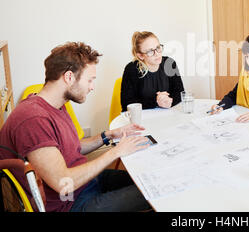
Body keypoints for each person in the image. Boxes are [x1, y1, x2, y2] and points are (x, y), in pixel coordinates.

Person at [0, 42, 153, 212]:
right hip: (70, 203)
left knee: (150, 179)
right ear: (69, 77)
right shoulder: (32, 119)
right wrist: (116, 152)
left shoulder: (55, 104)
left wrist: (108, 135)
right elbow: (62, 182)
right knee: (154, 192)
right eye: (90, 80)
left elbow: (71, 148)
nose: (92, 87)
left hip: (85, 184)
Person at [121, 31, 184, 111]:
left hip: (166, 115)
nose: (157, 54)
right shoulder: (131, 69)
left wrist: (169, 101)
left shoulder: (169, 63)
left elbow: (180, 93)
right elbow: (126, 104)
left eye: (158, 48)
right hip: (141, 118)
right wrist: (156, 101)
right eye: (150, 51)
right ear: (140, 56)